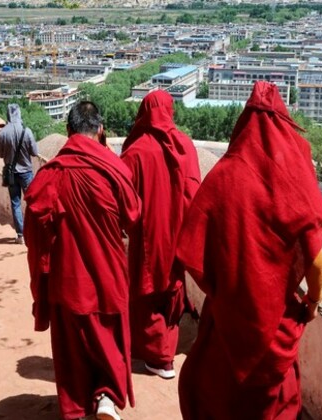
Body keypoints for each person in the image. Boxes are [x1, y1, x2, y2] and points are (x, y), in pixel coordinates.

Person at [176, 81, 322, 420]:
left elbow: (192, 248)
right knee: (274, 406)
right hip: (275, 322)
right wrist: (313, 302)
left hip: (229, 316)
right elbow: (315, 259)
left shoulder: (223, 174)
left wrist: (225, 287)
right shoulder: (291, 177)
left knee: (219, 397)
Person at [24, 102, 141, 420]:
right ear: (101, 130)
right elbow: (133, 216)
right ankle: (106, 395)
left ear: (68, 131)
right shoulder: (114, 169)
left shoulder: (53, 172)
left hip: (67, 278)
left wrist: (42, 278)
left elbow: (34, 223)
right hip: (109, 274)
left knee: (71, 350)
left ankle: (76, 408)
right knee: (109, 341)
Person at [120, 90, 201, 379]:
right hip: (178, 235)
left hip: (147, 236)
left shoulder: (135, 151)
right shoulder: (185, 146)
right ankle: (164, 356)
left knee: (146, 290)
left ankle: (156, 357)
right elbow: (194, 193)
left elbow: (123, 200)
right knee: (171, 289)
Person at [0, 103, 38, 244]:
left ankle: (20, 235)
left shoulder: (2, 133)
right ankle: (34, 232)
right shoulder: (27, 131)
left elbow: (0, 154)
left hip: (11, 173)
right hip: (26, 172)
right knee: (32, 202)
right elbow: (35, 152)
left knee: (15, 203)